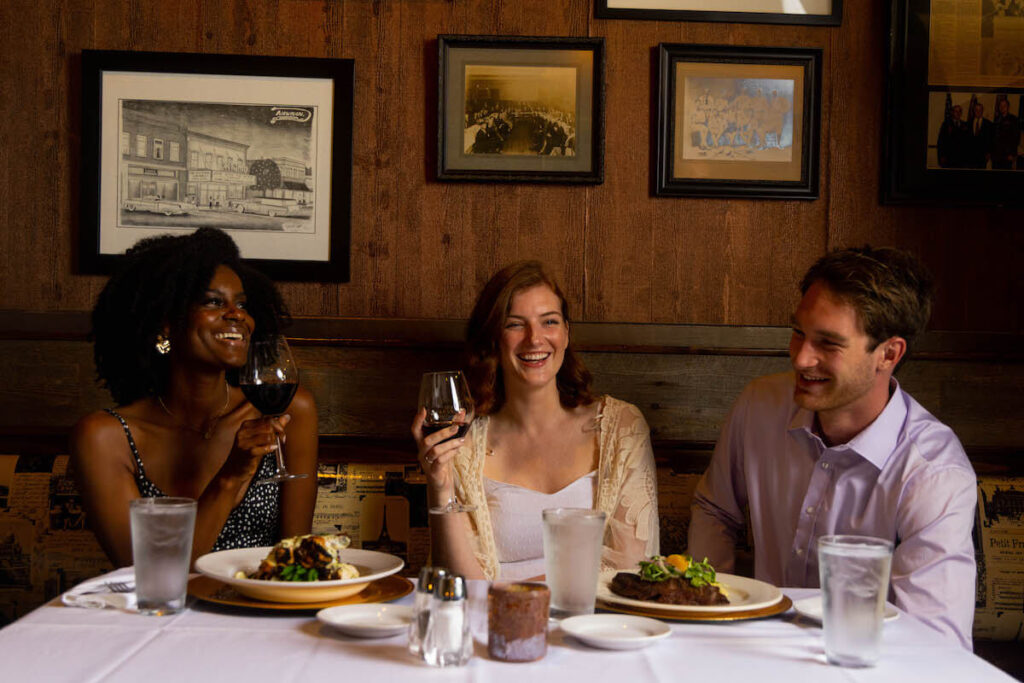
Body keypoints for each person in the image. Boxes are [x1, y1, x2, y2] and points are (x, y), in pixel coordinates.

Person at [687, 246, 977, 650]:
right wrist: (710, 610)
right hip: (751, 653)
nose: (801, 358)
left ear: (888, 354)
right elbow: (715, 509)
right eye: (799, 333)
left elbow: (938, 643)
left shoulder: (933, 472)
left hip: (868, 666)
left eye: (829, 343)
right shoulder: (759, 405)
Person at [71, 228, 319, 567]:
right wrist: (231, 477)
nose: (238, 315)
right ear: (166, 325)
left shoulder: (290, 412)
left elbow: (296, 563)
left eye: (242, 304)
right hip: (159, 616)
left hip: (264, 612)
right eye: (214, 302)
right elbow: (148, 577)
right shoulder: (104, 437)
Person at [412, 261, 658, 580]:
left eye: (549, 322)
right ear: (493, 341)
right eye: (515, 324)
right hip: (494, 625)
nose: (534, 339)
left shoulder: (622, 428)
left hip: (595, 624)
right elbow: (462, 585)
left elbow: (631, 571)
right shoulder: (463, 443)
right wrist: (440, 486)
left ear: (566, 334)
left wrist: (523, 598)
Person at [990, 97, 1020, 170]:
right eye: (1000, 106)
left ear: (1008, 107)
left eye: (1004, 106)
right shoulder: (996, 119)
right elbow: (993, 136)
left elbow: (1016, 138)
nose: (1002, 107)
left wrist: (1012, 154)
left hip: (1007, 155)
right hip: (996, 155)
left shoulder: (1013, 119)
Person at [965, 101, 993, 168]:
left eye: (980, 110)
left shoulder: (988, 124)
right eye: (976, 110)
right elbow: (965, 140)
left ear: (982, 111)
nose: (978, 111)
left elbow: (991, 139)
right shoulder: (968, 123)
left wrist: (989, 152)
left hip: (982, 156)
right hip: (970, 156)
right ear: (974, 111)